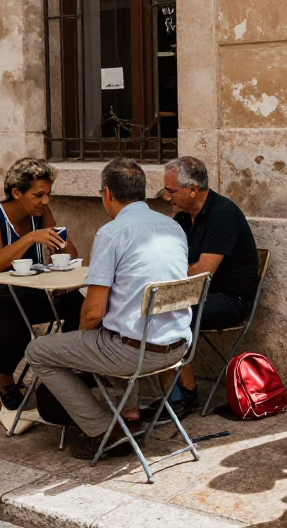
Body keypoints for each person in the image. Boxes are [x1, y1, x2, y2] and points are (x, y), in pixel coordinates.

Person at [26, 159, 192, 459]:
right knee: (108, 335)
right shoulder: (173, 227)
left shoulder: (111, 233)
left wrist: (83, 342)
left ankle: (103, 428)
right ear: (141, 192)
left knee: (39, 351)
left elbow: (92, 313)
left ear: (107, 194)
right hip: (178, 347)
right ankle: (131, 412)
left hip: (134, 353)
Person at [0, 158, 83, 412]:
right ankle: (5, 381)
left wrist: (61, 246)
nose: (45, 201)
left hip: (22, 293)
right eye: (38, 194)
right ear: (16, 192)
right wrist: (32, 237)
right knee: (17, 331)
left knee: (78, 304)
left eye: (48, 194)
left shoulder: (40, 212)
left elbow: (68, 255)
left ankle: (65, 368)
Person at [161, 156, 261, 413]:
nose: (167, 197)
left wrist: (167, 273)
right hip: (199, 293)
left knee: (174, 311)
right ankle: (166, 392)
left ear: (192, 189)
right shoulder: (183, 217)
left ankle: (187, 392)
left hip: (231, 300)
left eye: (171, 191)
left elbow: (202, 272)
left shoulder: (223, 214)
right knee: (154, 305)